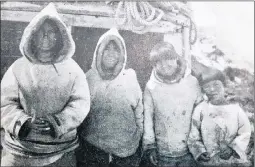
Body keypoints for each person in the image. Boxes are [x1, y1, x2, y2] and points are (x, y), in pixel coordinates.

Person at [1, 3, 90, 166]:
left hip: (61, 151)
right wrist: (24, 122)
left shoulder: (73, 69)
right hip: (20, 152)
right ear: (32, 35)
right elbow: (5, 103)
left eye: (50, 33)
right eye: (40, 32)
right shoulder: (18, 67)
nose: (45, 37)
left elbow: (81, 103)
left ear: (59, 36)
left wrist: (58, 122)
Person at [76, 28, 143, 167]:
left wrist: (136, 140)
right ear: (99, 51)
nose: (111, 53)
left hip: (126, 153)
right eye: (107, 48)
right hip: (93, 151)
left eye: (116, 49)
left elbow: (139, 114)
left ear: (122, 53)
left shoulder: (129, 78)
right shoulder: (89, 78)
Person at [142, 42, 203, 167]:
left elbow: (201, 114)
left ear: (176, 58)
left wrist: (200, 147)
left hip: (191, 152)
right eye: (158, 62)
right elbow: (147, 119)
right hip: (164, 154)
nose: (164, 65)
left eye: (168, 59)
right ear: (154, 65)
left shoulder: (192, 82)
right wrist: (150, 147)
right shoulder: (151, 87)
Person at [188, 69, 251, 167]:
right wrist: (200, 151)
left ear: (224, 86)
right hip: (209, 160)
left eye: (216, 85)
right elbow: (194, 135)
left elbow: (245, 132)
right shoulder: (201, 109)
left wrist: (233, 149)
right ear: (203, 89)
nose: (212, 89)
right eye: (207, 86)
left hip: (233, 160)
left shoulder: (236, 109)